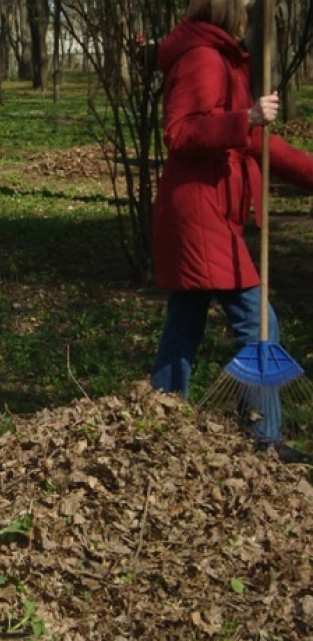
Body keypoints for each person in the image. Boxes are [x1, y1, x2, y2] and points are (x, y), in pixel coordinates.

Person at [150, 0, 313, 464]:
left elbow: (254, 143)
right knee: (259, 323)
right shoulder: (203, 57)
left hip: (206, 211)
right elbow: (181, 132)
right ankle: (264, 438)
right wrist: (246, 118)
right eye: (241, 5)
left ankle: (159, 419)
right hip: (201, 215)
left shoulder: (218, 56)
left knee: (184, 323)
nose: (246, 13)